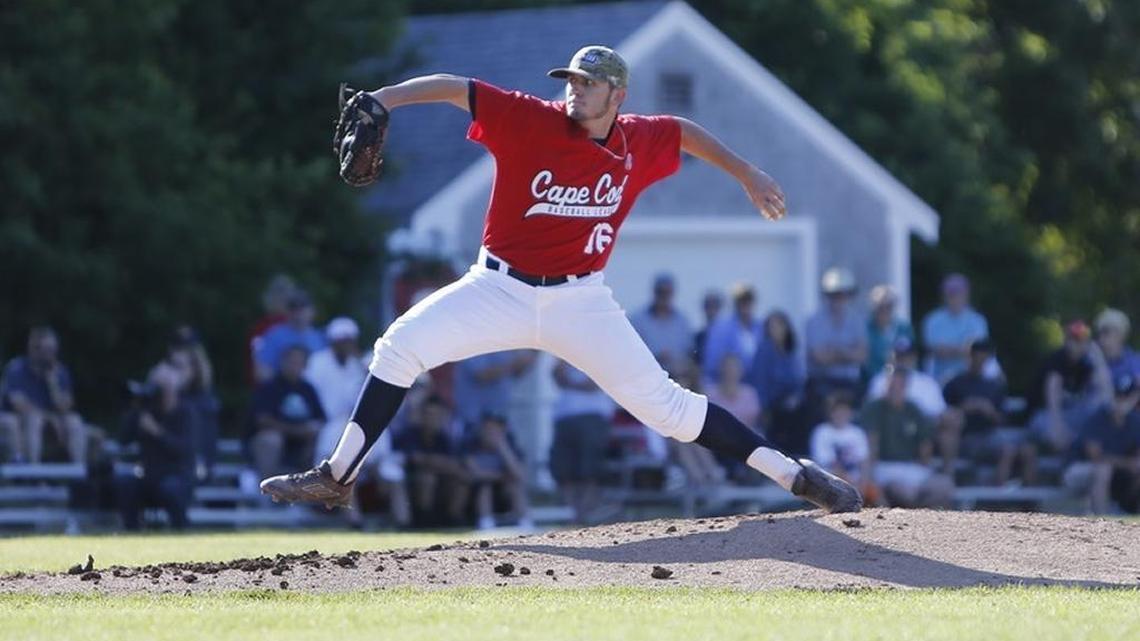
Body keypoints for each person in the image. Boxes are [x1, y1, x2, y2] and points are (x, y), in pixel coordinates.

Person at [261, 45, 860, 514]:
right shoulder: (528, 118)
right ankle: (337, 476)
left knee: (670, 412)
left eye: (588, 83)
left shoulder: (638, 140)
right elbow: (454, 88)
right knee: (398, 348)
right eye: (571, 80)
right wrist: (385, 99)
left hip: (581, 300)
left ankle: (795, 475)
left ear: (616, 95)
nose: (574, 90)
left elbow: (681, 129)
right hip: (497, 288)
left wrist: (747, 173)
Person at [943, 339, 1036, 485]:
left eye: (984, 356)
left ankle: (1027, 500)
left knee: (1027, 450)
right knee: (1007, 450)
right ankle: (998, 498)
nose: (980, 360)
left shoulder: (994, 386)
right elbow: (944, 415)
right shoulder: (955, 383)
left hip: (990, 434)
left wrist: (989, 410)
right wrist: (964, 408)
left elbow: (1002, 420)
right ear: (970, 356)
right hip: (966, 437)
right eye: (977, 355)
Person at [114, 363, 196, 530]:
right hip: (149, 475)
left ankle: (181, 529)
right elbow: (123, 440)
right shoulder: (147, 411)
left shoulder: (186, 412)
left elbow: (184, 450)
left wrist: (157, 432)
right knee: (125, 484)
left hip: (176, 474)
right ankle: (131, 532)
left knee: (171, 489)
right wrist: (135, 409)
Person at [860, 368, 955, 508]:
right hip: (884, 467)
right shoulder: (875, 408)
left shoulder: (913, 409)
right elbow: (871, 443)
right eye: (892, 385)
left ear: (906, 386)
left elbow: (925, 443)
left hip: (910, 466)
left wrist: (923, 464)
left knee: (945, 486)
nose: (896, 389)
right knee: (905, 493)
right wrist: (870, 474)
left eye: (900, 385)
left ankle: (923, 519)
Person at [866, 338, 962, 475]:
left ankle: (945, 475)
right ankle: (872, 475)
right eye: (899, 356)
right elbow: (873, 413)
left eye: (907, 356)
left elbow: (940, 412)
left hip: (922, 428)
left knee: (948, 428)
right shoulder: (880, 380)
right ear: (892, 357)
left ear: (914, 357)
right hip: (889, 428)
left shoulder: (927, 382)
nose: (903, 360)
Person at [0, 327, 86, 463]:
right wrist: (49, 418)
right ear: (34, 350)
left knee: (75, 421)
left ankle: (77, 472)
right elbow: (19, 406)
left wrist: (53, 383)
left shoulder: (61, 371)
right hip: (21, 419)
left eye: (53, 350)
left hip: (52, 420)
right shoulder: (16, 369)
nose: (51, 355)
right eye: (47, 350)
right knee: (34, 420)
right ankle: (34, 474)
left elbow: (66, 408)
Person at [1028, 320, 1112, 454]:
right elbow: (1053, 392)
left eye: (1083, 340)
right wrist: (1057, 426)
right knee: (1059, 438)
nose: (1078, 344)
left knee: (1101, 404)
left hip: (1071, 413)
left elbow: (1106, 393)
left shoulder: (1087, 363)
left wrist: (1099, 359)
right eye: (1075, 340)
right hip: (1044, 414)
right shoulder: (1057, 359)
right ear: (1067, 341)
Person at [1062, 374, 1140, 514]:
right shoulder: (1098, 417)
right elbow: (1095, 457)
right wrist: (1128, 464)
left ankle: (1131, 515)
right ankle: (1101, 521)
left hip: (1115, 473)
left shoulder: (1135, 421)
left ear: (1134, 397)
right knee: (1103, 469)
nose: (1121, 400)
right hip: (1077, 470)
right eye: (1118, 395)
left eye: (1126, 396)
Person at [551, 359, 615, 524]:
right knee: (564, 469)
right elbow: (558, 377)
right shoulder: (563, 351)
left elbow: (594, 383)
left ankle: (586, 513)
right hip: (564, 416)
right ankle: (571, 514)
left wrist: (570, 383)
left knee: (590, 468)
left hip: (593, 416)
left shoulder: (601, 349)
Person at [248, 345, 326, 479]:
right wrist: (296, 431)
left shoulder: (308, 388)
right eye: (292, 361)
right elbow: (262, 420)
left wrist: (310, 431)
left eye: (299, 362)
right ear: (282, 362)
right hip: (274, 442)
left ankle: (313, 490)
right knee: (271, 439)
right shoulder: (269, 387)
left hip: (302, 445)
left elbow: (321, 418)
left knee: (324, 439)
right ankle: (268, 488)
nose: (295, 366)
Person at [393, 394, 469, 527]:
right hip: (410, 481)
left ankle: (454, 519)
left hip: (440, 479)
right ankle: (424, 520)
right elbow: (415, 459)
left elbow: (453, 463)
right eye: (429, 414)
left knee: (461, 479)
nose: (432, 419)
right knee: (428, 479)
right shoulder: (410, 434)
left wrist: (436, 462)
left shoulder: (443, 438)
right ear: (422, 415)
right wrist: (437, 462)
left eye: (436, 415)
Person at [804, 267, 867, 415]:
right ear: (827, 295)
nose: (839, 298)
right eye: (835, 294)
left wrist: (834, 350)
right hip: (822, 383)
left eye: (843, 294)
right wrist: (848, 352)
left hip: (850, 384)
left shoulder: (857, 320)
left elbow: (862, 355)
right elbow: (819, 357)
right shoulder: (814, 321)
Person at [749, 310, 807, 455]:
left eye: (780, 325)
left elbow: (799, 380)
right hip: (772, 402)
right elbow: (760, 381)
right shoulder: (764, 350)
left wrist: (796, 397)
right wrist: (764, 408)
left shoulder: (791, 350)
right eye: (772, 326)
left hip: (792, 401)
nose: (776, 330)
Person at [463, 413, 530, 530]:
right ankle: (486, 524)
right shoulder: (471, 446)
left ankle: (525, 523)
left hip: (504, 491)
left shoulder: (511, 447)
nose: (490, 433)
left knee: (516, 487)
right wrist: (501, 477)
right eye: (487, 429)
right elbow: (474, 473)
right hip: (477, 492)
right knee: (485, 488)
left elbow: (519, 475)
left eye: (495, 430)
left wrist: (503, 448)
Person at [921, 274, 990, 384]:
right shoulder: (932, 320)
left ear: (966, 295)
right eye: (951, 294)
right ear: (944, 296)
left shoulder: (977, 320)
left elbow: (977, 352)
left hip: (970, 377)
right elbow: (936, 350)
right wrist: (962, 349)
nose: (955, 298)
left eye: (959, 293)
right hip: (939, 377)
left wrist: (952, 350)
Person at [253, 291, 327, 382]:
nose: (298, 314)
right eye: (293, 309)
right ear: (287, 312)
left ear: (312, 311)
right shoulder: (274, 335)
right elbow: (261, 371)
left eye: (302, 308)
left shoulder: (321, 338)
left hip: (313, 391)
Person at [453, 350, 537, 429]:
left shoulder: (502, 344)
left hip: (499, 417)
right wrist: (513, 365)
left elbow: (514, 374)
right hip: (475, 420)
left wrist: (531, 356)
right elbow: (481, 375)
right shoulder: (473, 343)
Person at [629, 273, 694, 375]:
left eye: (667, 292)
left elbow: (689, 352)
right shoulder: (638, 320)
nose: (663, 296)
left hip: (677, 375)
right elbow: (631, 353)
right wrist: (657, 357)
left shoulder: (682, 321)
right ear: (654, 292)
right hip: (646, 373)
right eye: (660, 292)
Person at [701, 283, 763, 383]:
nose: (745, 305)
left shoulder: (760, 327)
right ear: (735, 303)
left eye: (748, 300)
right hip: (727, 386)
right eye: (741, 301)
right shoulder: (721, 328)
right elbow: (712, 363)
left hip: (755, 387)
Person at [809, 392, 870, 488]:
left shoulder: (857, 433)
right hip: (829, 482)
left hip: (857, 482)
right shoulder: (822, 432)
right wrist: (850, 484)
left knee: (877, 496)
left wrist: (863, 483)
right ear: (830, 413)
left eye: (845, 411)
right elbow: (829, 463)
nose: (841, 415)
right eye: (838, 411)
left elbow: (864, 462)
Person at [248, 274, 297, 384]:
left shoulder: (297, 325)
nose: (283, 300)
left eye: (286, 296)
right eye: (279, 296)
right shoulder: (262, 328)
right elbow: (256, 355)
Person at [865, 285, 914, 378]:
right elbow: (866, 359)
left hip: (901, 378)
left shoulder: (904, 328)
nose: (884, 310)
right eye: (880, 306)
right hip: (872, 378)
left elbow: (910, 356)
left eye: (888, 306)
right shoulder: (865, 329)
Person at [705, 354, 761, 430]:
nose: (730, 372)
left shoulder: (750, 393)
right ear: (721, 370)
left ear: (741, 371)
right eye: (727, 368)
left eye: (733, 368)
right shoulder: (709, 394)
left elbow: (754, 421)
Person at [1095, 309, 1140, 384]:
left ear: (1121, 335)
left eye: (1106, 333)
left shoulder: (1135, 361)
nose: (1101, 339)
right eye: (1100, 333)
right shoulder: (1095, 363)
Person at [692, 289, 724, 369]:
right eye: (708, 306)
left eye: (714, 306)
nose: (711, 310)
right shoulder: (699, 337)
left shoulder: (726, 337)